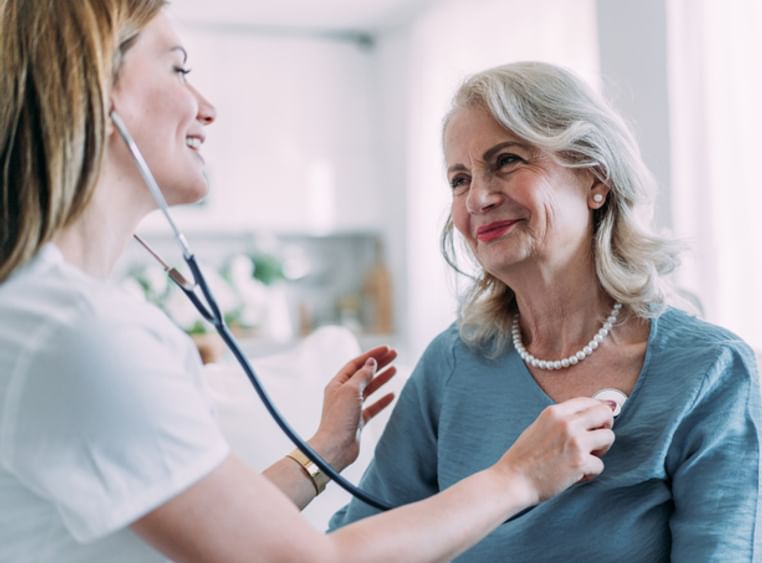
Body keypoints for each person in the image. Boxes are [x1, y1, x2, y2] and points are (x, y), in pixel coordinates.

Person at [0, 5, 618, 562]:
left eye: (507, 161)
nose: (206, 107)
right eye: (179, 69)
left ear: (596, 181)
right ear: (99, 89)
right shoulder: (72, 334)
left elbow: (198, 527)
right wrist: (518, 478)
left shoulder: (55, 316)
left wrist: (323, 453)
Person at [330, 61, 762, 561]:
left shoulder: (708, 368)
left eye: (507, 160)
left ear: (595, 178)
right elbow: (355, 544)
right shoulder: (450, 362)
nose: (478, 197)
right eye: (459, 179)